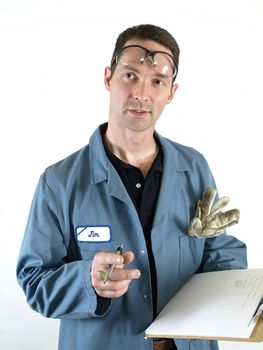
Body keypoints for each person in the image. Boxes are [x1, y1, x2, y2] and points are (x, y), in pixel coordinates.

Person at [17, 24, 247, 350]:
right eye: (130, 76)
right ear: (108, 77)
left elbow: (219, 254)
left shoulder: (194, 167)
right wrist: (87, 280)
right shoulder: (59, 182)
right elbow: (33, 280)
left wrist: (236, 285)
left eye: (157, 82)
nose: (141, 93)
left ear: (171, 92)